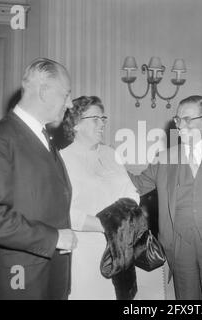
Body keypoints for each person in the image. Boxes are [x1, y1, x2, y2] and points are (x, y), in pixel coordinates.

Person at [128, 95, 202, 300]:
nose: (180, 125)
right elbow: (136, 185)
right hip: (179, 245)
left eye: (188, 119)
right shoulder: (165, 158)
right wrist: (106, 163)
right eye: (178, 120)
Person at [0, 58, 78, 299]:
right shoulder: (0, 138)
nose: (70, 103)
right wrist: (54, 237)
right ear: (44, 91)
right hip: (20, 280)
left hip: (49, 277)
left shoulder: (45, 139)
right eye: (66, 94)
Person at [61, 96, 165, 300]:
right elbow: (63, 211)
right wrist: (108, 226)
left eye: (103, 119)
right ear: (75, 124)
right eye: (95, 119)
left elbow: (130, 192)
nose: (102, 125)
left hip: (121, 246)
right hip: (85, 250)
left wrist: (123, 226)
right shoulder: (63, 159)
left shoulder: (111, 154)